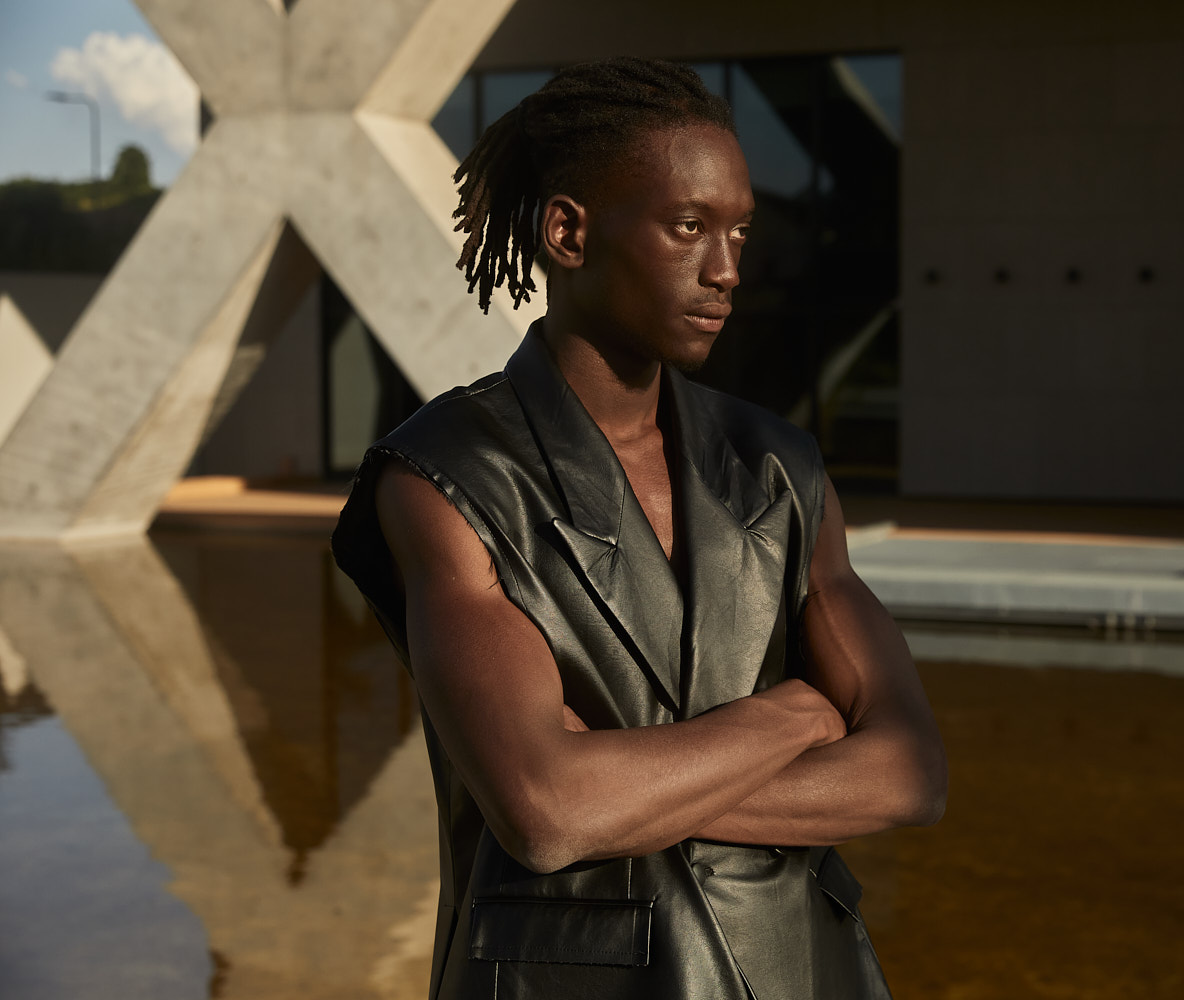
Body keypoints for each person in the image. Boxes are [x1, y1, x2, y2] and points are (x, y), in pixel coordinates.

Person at [332, 57, 946, 1000]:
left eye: (740, 230)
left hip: (800, 970)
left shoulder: (782, 468)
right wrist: (796, 713)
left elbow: (908, 775)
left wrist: (626, 787)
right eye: (688, 227)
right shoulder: (444, 476)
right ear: (569, 232)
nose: (729, 268)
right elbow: (546, 810)